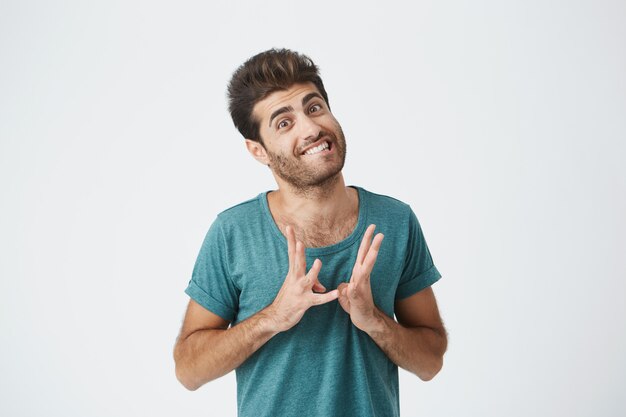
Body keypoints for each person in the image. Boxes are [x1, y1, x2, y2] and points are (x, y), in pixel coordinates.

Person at [173, 48, 448, 417]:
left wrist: (375, 322)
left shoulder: (395, 221)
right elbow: (189, 370)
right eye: (284, 123)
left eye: (314, 107)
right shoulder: (232, 232)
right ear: (259, 151)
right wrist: (273, 317)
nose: (311, 128)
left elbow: (431, 362)